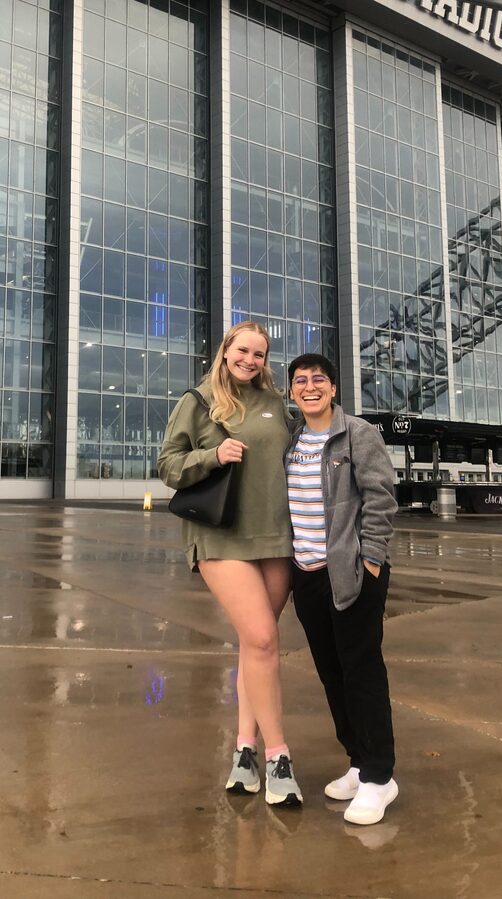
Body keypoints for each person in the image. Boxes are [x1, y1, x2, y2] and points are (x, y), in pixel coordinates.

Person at [158, 321, 302, 808]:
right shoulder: (198, 402)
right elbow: (168, 467)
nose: (250, 360)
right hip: (220, 535)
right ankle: (279, 755)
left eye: (260, 354)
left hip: (276, 536)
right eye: (243, 350)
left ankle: (244, 750)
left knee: (254, 646)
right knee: (263, 638)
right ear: (226, 351)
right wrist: (213, 455)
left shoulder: (279, 405)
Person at [285, 352, 398, 826]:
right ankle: (356, 760)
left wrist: (370, 559)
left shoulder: (358, 434)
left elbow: (381, 496)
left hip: (351, 572)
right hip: (306, 573)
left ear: (333, 388)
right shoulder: (291, 441)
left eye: (318, 379)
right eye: (300, 380)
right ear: (292, 390)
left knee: (362, 671)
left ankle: (379, 777)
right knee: (332, 673)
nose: (309, 386)